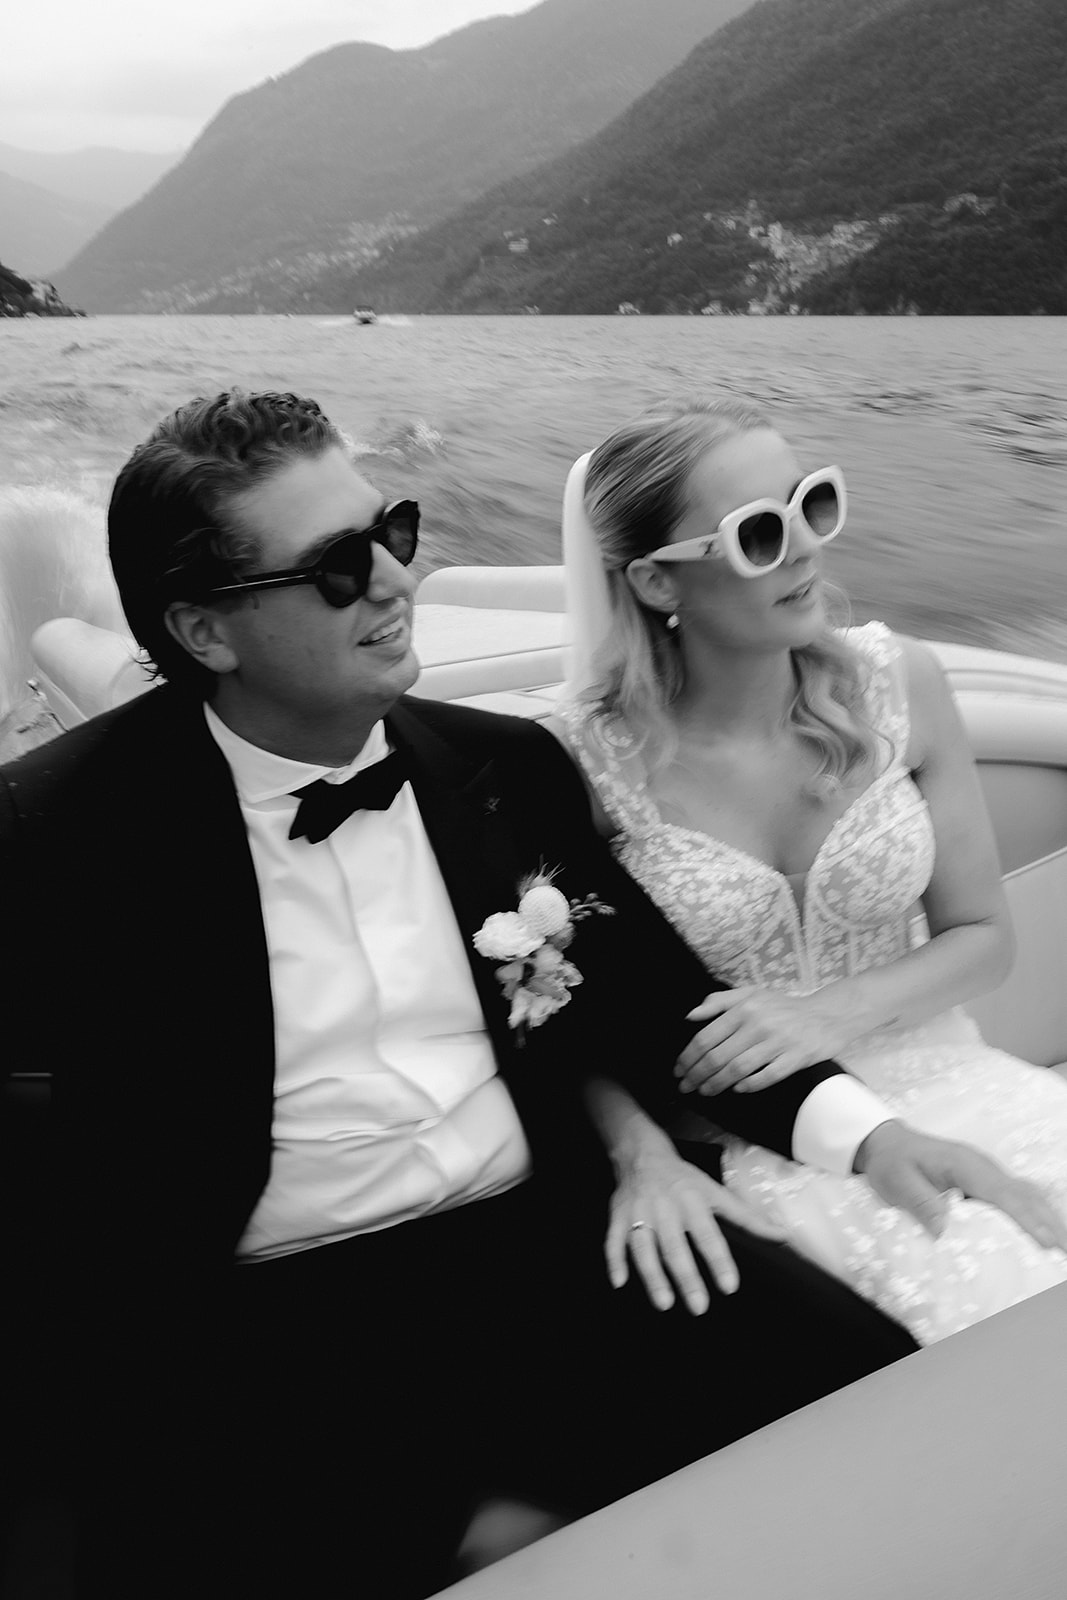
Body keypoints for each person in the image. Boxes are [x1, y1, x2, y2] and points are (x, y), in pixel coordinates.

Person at [1, 391, 1061, 1600]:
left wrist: (869, 1139)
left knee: (876, 1395)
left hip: (546, 1236)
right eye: (339, 569)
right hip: (263, 1303)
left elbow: (657, 1000)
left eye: (391, 532)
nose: (395, 579)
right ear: (205, 629)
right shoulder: (51, 829)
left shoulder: (502, 767)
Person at [552, 394, 1067, 1349]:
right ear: (658, 583)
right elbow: (567, 1014)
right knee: (987, 1295)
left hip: (952, 1074)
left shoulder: (900, 681)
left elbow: (982, 938)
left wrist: (830, 1012)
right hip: (753, 1138)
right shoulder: (585, 764)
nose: (803, 549)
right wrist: (639, 1154)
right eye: (759, 533)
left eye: (812, 504)